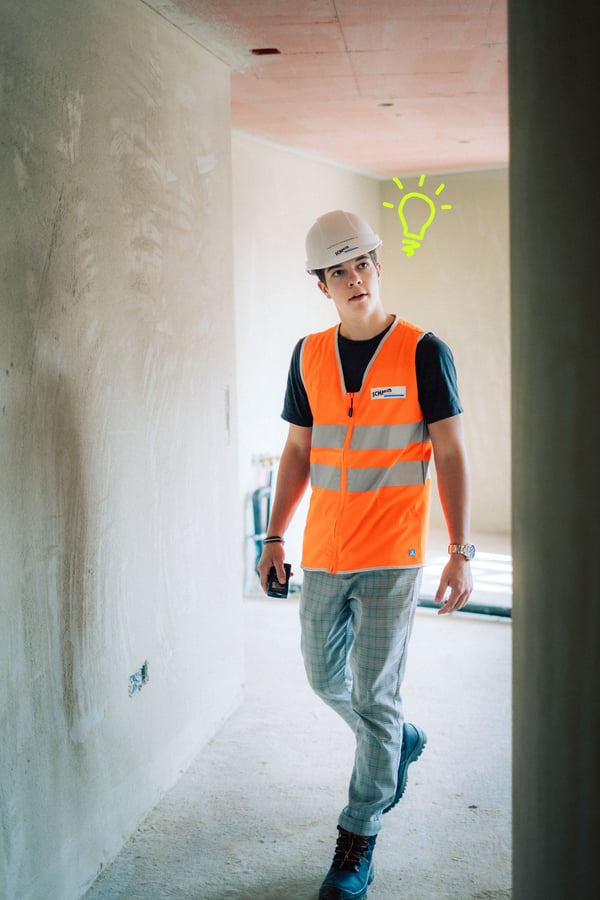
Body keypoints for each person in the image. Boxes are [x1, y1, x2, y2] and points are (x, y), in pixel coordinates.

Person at [257, 210, 474, 900]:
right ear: (321, 286)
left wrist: (461, 550)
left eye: (364, 265)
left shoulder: (422, 351)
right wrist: (273, 536)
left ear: (379, 266)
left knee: (374, 694)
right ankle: (397, 739)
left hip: (392, 554)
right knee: (326, 678)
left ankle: (358, 838)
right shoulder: (309, 355)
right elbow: (297, 452)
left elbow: (450, 452)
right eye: (340, 271)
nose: (355, 279)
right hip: (324, 550)